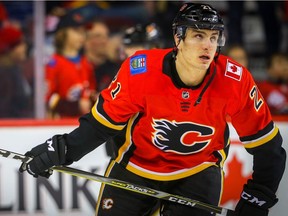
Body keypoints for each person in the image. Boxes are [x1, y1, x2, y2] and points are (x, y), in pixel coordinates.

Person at [19, 3, 286, 216]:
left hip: (198, 172)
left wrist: (258, 197)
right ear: (178, 39)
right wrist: (61, 150)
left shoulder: (234, 80)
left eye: (214, 37)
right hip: (135, 169)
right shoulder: (141, 70)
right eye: (198, 35)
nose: (208, 45)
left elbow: (268, 147)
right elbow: (102, 125)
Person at [45, 8, 96, 118]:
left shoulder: (86, 62)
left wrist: (94, 98)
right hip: (62, 122)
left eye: (83, 31)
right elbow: (48, 98)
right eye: (77, 31)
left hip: (85, 122)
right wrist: (75, 106)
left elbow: (90, 90)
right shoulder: (54, 63)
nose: (82, 35)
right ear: (62, 33)